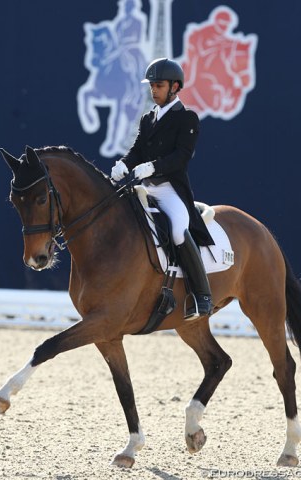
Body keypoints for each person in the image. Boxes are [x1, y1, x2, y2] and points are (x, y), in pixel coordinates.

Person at [111, 57, 214, 319]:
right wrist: (124, 164)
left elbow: (182, 156)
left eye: (158, 85)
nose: (153, 90)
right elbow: (136, 150)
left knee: (178, 231)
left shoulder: (187, 118)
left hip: (169, 189)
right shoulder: (148, 118)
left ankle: (202, 296)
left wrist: (153, 167)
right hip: (144, 187)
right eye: (152, 86)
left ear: (175, 87)